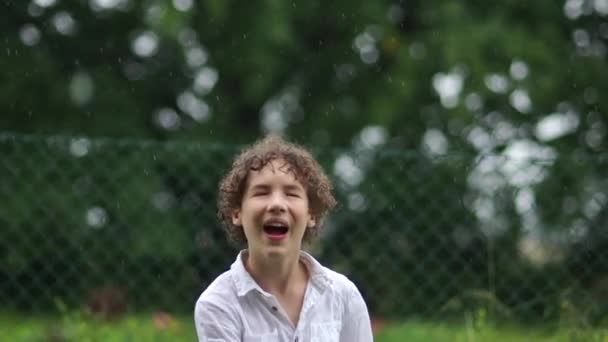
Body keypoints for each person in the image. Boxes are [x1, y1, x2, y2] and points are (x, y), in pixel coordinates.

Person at [194, 135, 374, 341]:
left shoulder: (344, 296)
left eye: (291, 193)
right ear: (237, 213)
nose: (277, 204)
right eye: (262, 192)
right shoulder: (217, 304)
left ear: (311, 215)